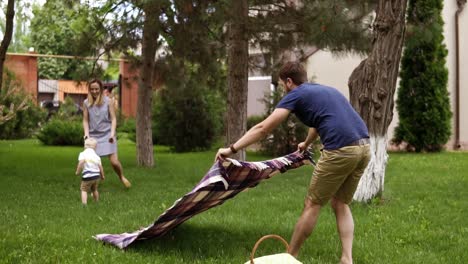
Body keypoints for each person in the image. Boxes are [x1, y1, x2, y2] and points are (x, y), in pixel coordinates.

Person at [215, 62, 370, 264]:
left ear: (289, 82)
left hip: (340, 150)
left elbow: (263, 128)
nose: (282, 89)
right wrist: (306, 144)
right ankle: (346, 259)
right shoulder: (323, 91)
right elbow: (320, 122)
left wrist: (231, 149)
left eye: (281, 85)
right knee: (340, 203)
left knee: (312, 204)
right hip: (364, 147)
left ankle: (289, 258)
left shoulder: (295, 95)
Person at [83, 79, 131, 188]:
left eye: (96, 89)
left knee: (114, 162)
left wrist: (112, 134)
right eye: (92, 89)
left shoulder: (108, 101)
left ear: (100, 89)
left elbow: (113, 119)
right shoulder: (86, 103)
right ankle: (94, 187)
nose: (94, 91)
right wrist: (86, 135)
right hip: (93, 137)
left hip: (107, 135)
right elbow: (85, 120)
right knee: (92, 163)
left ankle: (121, 177)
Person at [75, 138, 105, 205]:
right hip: (96, 177)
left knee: (84, 190)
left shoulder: (83, 154)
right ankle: (97, 202)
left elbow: (81, 162)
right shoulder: (97, 156)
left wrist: (77, 171)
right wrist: (102, 176)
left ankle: (84, 204)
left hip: (87, 176)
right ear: (95, 147)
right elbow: (100, 167)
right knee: (94, 190)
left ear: (85, 146)